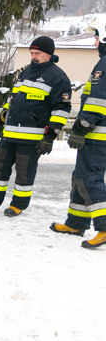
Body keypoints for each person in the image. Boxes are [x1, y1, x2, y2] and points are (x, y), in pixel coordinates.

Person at [0, 36, 72, 217]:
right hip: (10, 133)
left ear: (49, 54)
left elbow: (61, 109)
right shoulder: (25, 73)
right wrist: (0, 121)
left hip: (32, 137)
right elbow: (12, 101)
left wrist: (49, 136)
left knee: (24, 172)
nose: (33, 56)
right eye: (32, 53)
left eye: (38, 53)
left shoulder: (58, 78)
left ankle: (18, 205)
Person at [50, 16, 106, 249]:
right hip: (98, 133)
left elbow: (97, 101)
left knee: (88, 177)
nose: (94, 42)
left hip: (97, 134)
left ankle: (103, 227)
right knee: (81, 175)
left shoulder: (104, 65)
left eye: (96, 37)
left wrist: (82, 127)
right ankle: (76, 221)